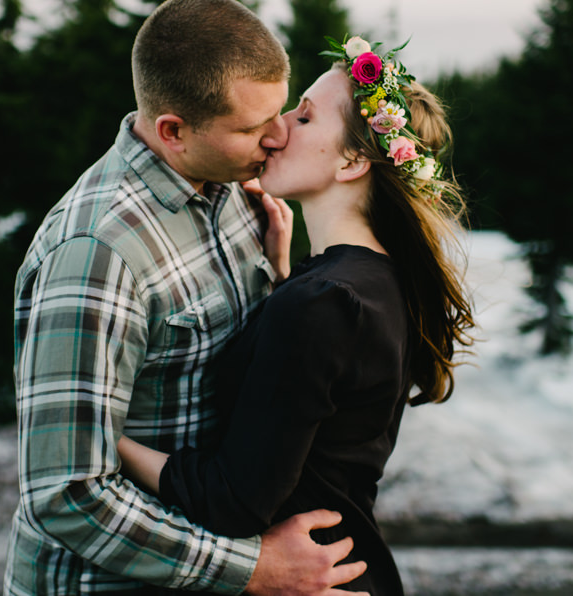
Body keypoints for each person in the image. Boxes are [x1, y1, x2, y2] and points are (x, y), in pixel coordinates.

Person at [5, 0, 367, 596]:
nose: (278, 137)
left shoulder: (234, 188)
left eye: (281, 113)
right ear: (173, 129)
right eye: (254, 126)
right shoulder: (98, 254)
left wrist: (281, 281)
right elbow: (66, 494)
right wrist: (252, 569)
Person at [116, 36, 476, 595]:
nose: (277, 128)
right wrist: (283, 275)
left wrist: (105, 437)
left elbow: (232, 500)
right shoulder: (373, 281)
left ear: (354, 160)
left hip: (315, 579)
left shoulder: (322, 304)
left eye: (304, 117)